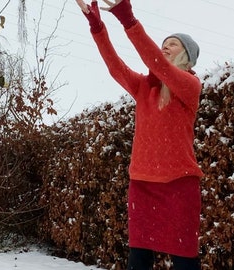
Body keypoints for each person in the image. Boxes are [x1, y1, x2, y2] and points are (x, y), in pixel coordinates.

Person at [75, 0, 204, 269]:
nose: (165, 47)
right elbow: (116, 67)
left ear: (187, 56)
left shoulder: (190, 85)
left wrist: (128, 20)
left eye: (173, 44)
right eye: (164, 42)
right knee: (138, 260)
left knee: (184, 261)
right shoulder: (144, 87)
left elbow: (158, 64)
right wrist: (98, 28)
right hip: (142, 185)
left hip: (179, 186)